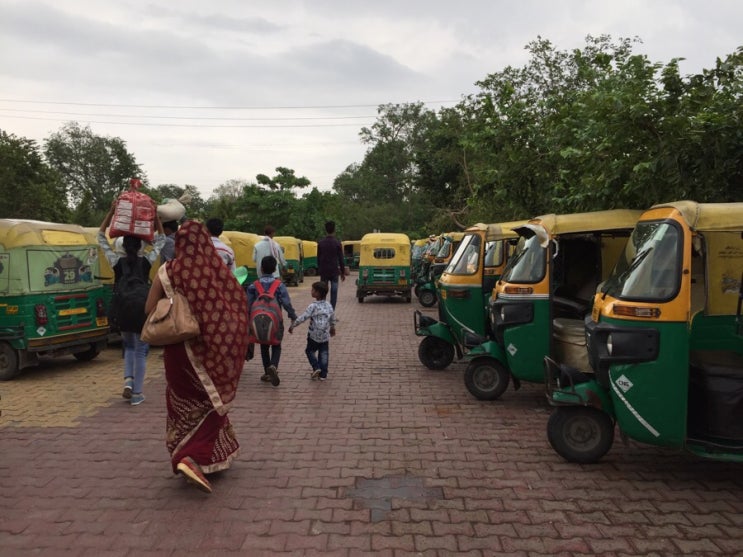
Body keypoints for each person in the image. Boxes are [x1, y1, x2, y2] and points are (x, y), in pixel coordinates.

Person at [144, 220, 249, 494]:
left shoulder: (167, 271)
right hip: (212, 353)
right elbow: (238, 306)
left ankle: (200, 457)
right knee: (212, 403)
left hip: (179, 350)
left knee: (182, 404)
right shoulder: (217, 273)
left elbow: (148, 308)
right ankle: (189, 458)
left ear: (179, 244)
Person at [98, 202, 165, 406]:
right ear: (141, 246)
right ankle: (136, 393)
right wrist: (155, 219)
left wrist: (110, 212)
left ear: (122, 246)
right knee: (140, 350)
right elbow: (161, 240)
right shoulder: (146, 261)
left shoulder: (115, 261)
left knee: (127, 346)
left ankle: (128, 381)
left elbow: (101, 237)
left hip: (122, 306)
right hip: (142, 307)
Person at [246, 255, 297, 386]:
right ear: (275, 269)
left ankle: (267, 372)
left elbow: (248, 305)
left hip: (258, 321)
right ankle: (273, 365)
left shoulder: (253, 286)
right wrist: (292, 315)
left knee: (264, 346)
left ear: (261, 269)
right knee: (276, 344)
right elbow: (286, 303)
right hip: (276, 320)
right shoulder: (279, 285)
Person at [288, 281, 336, 381]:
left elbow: (303, 317)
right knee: (324, 354)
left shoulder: (313, 306)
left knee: (309, 351)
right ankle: (323, 375)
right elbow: (332, 318)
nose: (311, 291)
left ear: (318, 293)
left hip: (313, 335)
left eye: (313, 290)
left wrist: (293, 325)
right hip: (324, 335)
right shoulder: (329, 305)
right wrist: (332, 328)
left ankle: (316, 367)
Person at [317, 220, 346, 310]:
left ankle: (323, 311)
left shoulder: (321, 243)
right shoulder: (337, 243)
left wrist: (319, 270)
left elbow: (318, 258)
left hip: (324, 272)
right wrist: (342, 272)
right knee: (334, 292)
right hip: (334, 272)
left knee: (323, 292)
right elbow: (341, 259)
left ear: (325, 230)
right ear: (334, 230)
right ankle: (331, 313)